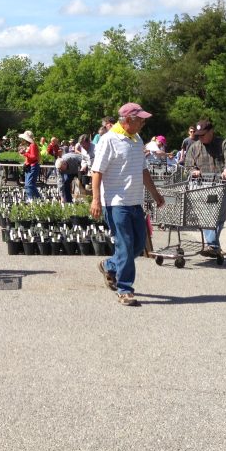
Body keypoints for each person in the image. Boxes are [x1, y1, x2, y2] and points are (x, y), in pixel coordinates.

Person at [90, 102, 165, 306]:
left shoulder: (136, 139)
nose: (143, 123)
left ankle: (109, 264)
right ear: (128, 120)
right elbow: (97, 172)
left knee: (139, 244)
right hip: (115, 203)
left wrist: (155, 194)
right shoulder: (108, 140)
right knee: (125, 245)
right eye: (140, 119)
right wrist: (96, 200)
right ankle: (125, 289)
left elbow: (143, 171)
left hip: (135, 202)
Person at [183, 118, 226, 256]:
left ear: (211, 131)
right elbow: (188, 165)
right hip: (203, 187)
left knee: (220, 218)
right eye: (198, 135)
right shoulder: (194, 146)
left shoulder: (223, 143)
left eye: (203, 134)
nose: (200, 137)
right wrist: (193, 170)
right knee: (207, 216)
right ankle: (212, 245)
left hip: (222, 186)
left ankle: (214, 245)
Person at [19, 130, 40, 201]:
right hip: (30, 166)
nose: (23, 140)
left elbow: (34, 157)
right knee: (30, 185)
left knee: (29, 185)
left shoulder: (33, 145)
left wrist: (25, 153)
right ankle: (37, 200)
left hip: (33, 166)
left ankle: (32, 200)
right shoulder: (31, 145)